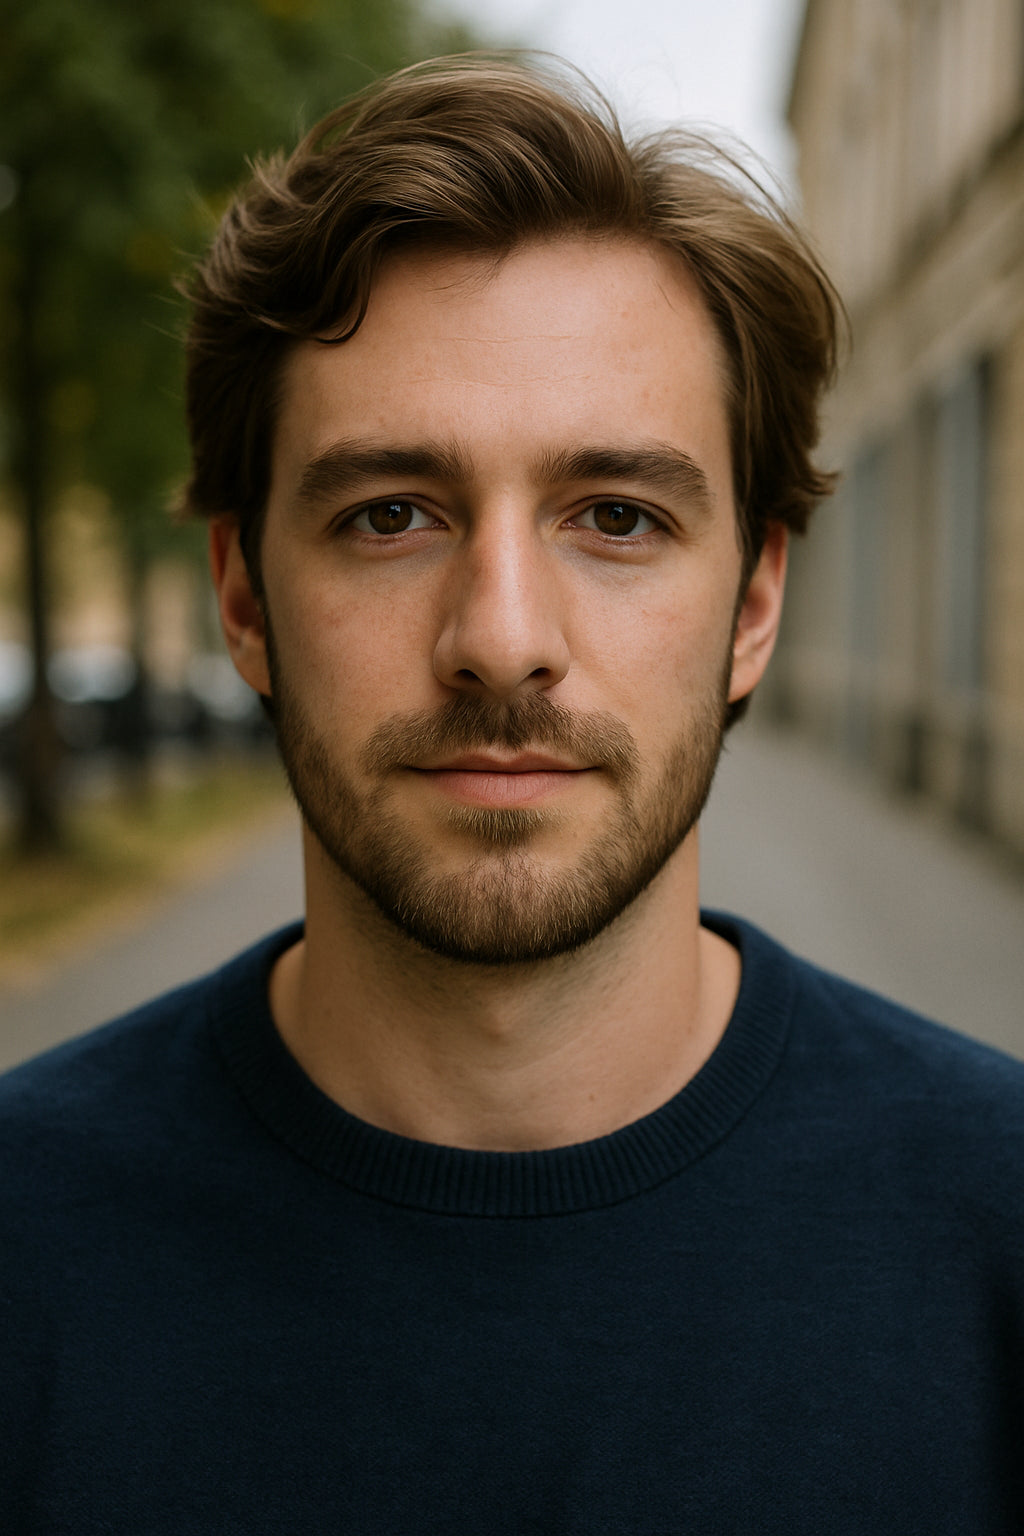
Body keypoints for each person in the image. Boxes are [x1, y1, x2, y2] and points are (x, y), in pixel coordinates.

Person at [2, 57, 1022, 1535]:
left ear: (753, 603)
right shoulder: (27, 1250)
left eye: (616, 517)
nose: (502, 638)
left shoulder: (995, 1235)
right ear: (242, 597)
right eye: (390, 515)